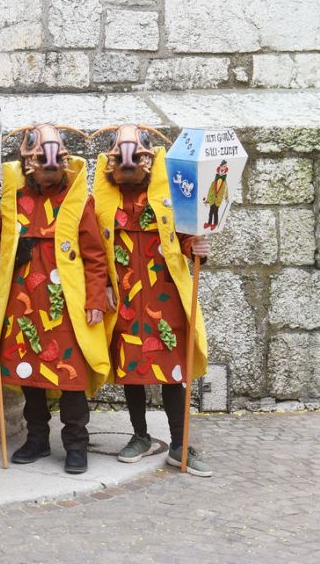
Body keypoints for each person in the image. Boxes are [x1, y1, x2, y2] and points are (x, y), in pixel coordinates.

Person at [0, 123, 110, 474]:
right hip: (23, 302)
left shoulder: (79, 201)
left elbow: (95, 256)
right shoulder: (14, 199)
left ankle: (76, 445)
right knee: (30, 375)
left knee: (71, 377)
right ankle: (37, 439)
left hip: (65, 305)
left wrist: (95, 300)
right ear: (27, 163)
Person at [90, 124, 212, 477]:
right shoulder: (100, 201)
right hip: (126, 298)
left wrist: (196, 247)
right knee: (133, 370)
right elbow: (94, 248)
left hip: (165, 296)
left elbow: (185, 234)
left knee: (173, 372)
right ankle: (140, 436)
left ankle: (179, 444)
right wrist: (104, 286)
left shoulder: (172, 191)